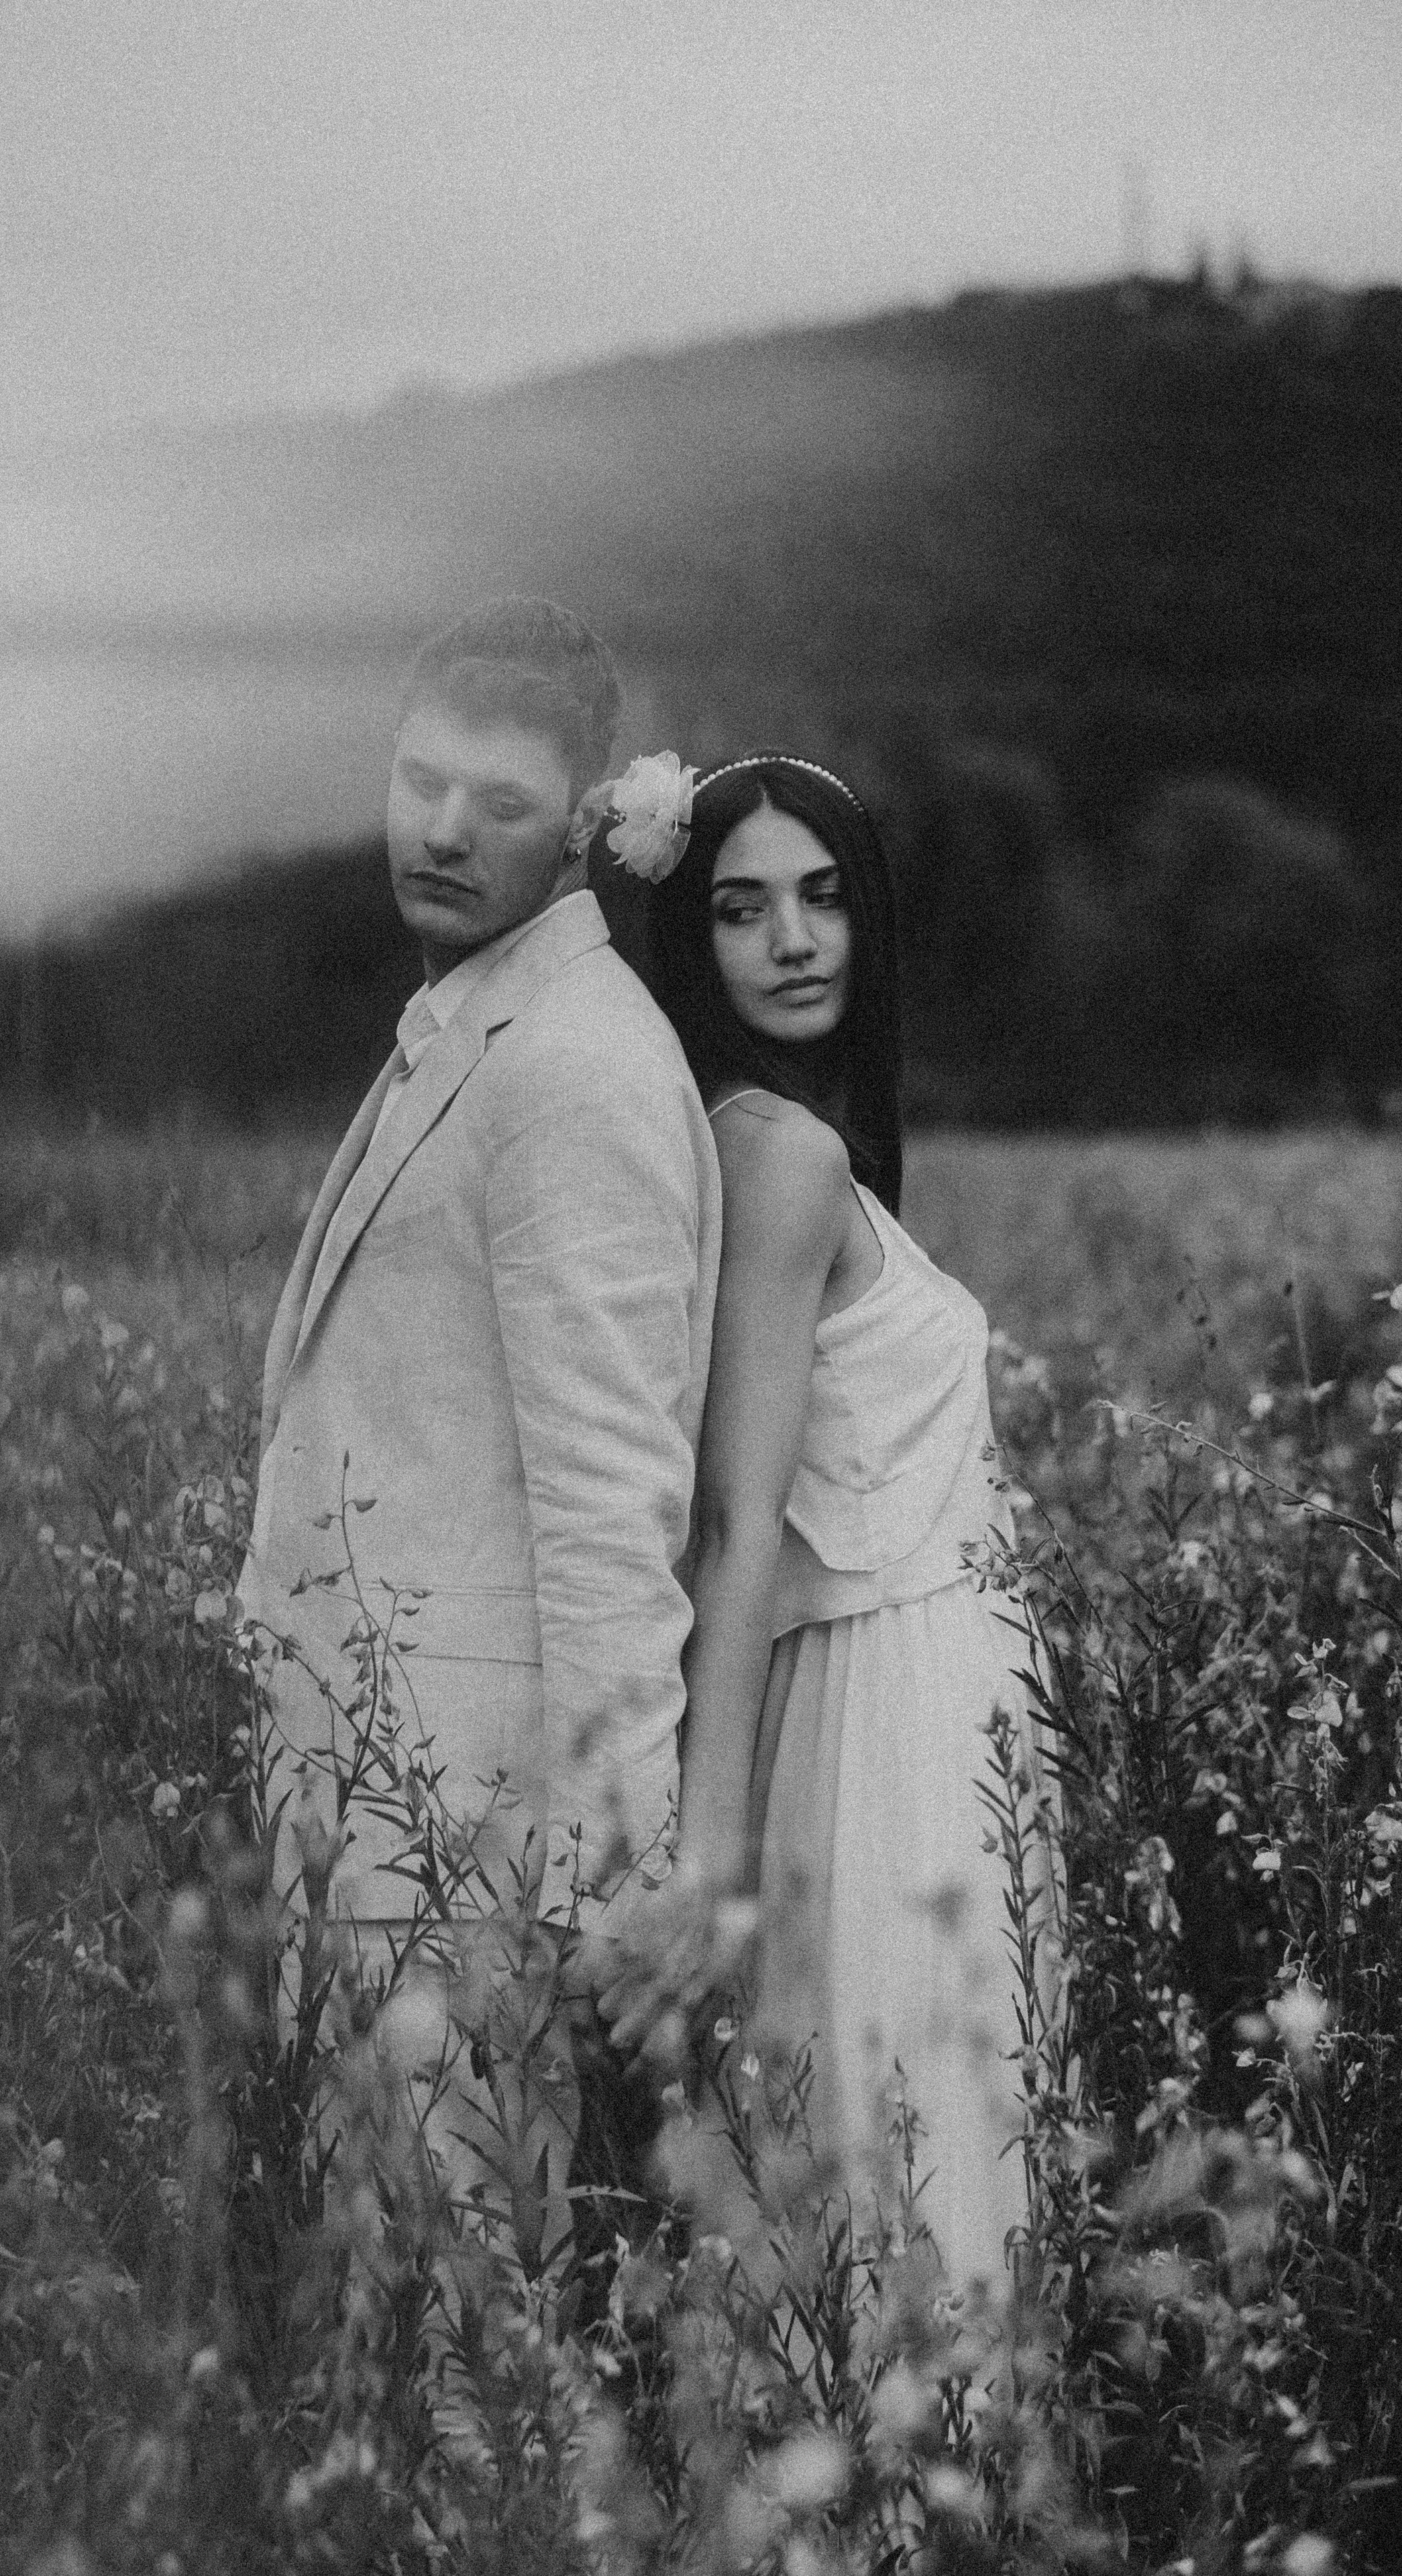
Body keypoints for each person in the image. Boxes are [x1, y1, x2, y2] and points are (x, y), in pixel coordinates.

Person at [233, 598, 722, 2294]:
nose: (441, 829)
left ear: (584, 824)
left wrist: (611, 1878)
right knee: (385, 2317)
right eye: (418, 778)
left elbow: (614, 1505)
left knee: (451, 2343)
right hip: (365, 1815)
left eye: (499, 803)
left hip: (460, 1841)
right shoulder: (469, 1015)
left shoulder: (576, 1064)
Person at [616, 748, 1055, 2297]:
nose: (792, 941)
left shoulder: (777, 1142)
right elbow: (734, 1524)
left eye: (820, 899)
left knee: (894, 2146)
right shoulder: (780, 1158)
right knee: (902, 2154)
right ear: (692, 942)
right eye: (740, 910)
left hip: (917, 1705)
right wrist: (706, 1860)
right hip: (884, 1713)